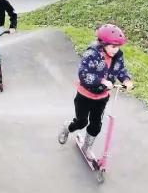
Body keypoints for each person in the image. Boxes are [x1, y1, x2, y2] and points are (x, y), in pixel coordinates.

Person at [57, 24, 134, 160]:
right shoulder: (92, 54)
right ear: (103, 43)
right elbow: (84, 74)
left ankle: (87, 147)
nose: (116, 50)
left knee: (96, 124)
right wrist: (102, 81)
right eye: (113, 46)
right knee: (81, 122)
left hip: (102, 97)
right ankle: (67, 127)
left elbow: (121, 69)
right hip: (85, 96)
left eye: (118, 47)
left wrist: (126, 80)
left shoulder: (117, 55)